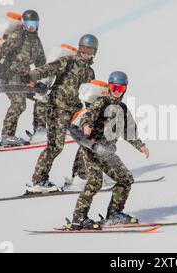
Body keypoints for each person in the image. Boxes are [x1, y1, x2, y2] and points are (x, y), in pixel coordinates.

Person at [64, 71, 150, 230]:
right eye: (113, 87)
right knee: (95, 182)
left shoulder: (123, 109)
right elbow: (88, 116)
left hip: (108, 153)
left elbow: (128, 131)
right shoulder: (101, 103)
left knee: (126, 179)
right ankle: (79, 218)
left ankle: (114, 213)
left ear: (124, 89)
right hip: (92, 150)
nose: (116, 91)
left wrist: (140, 146)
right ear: (109, 87)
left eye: (120, 88)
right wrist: (87, 125)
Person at [25, 34, 98, 193]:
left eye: (90, 50)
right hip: (57, 109)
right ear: (79, 48)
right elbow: (49, 68)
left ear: (94, 52)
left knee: (87, 142)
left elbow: (88, 93)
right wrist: (32, 75)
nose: (86, 52)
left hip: (75, 112)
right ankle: (39, 181)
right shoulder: (68, 62)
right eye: (84, 48)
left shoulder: (90, 72)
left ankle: (80, 177)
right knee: (55, 146)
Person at [0, 10, 47, 147]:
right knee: (19, 104)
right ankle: (7, 136)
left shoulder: (36, 41)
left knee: (42, 96)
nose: (31, 27)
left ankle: (40, 129)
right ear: (23, 23)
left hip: (24, 77)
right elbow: (1, 50)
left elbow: (41, 62)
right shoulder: (18, 36)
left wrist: (45, 78)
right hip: (10, 76)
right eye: (28, 24)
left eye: (34, 23)